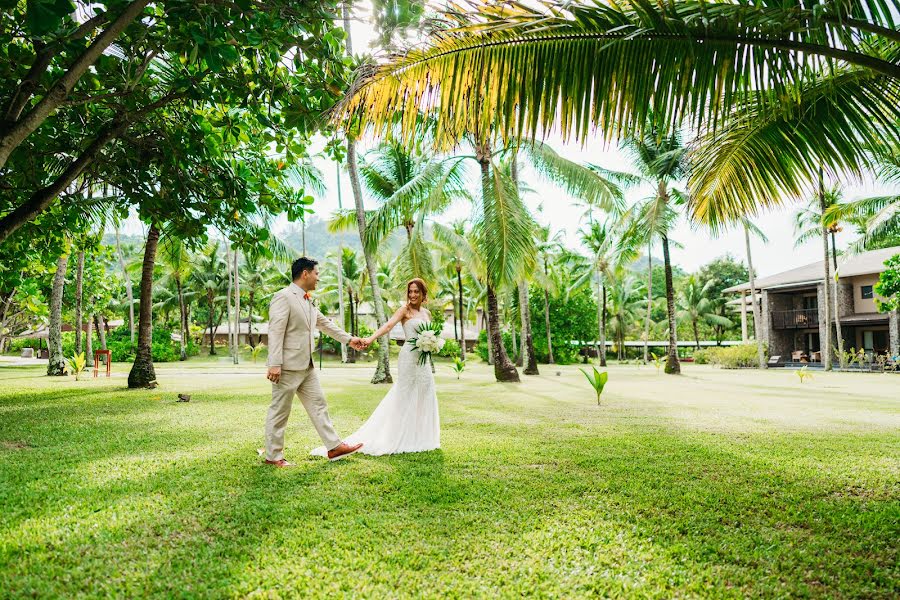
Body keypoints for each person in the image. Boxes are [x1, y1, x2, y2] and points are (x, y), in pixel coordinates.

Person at [311, 278, 440, 457]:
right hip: (409, 357)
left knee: (425, 392)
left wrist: (433, 343)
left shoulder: (427, 314)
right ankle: (399, 435)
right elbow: (387, 326)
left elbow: (432, 333)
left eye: (416, 291)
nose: (412, 295)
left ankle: (421, 436)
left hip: (424, 360)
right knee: (405, 394)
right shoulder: (404, 310)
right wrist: (370, 339)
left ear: (423, 294)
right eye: (410, 291)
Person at [263, 257, 368, 466]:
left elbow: (326, 324)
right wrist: (274, 364)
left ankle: (334, 446)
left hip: (306, 366)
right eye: (316, 273)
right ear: (305, 273)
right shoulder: (283, 297)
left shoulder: (307, 300)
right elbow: (275, 331)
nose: (318, 278)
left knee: (319, 404)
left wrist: (350, 340)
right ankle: (273, 457)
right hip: (287, 367)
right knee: (280, 411)